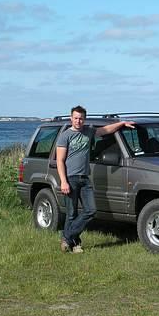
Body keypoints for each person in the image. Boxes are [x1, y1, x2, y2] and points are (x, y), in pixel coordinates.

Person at [56, 106, 135, 253]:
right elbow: (60, 160)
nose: (78, 121)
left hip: (85, 178)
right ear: (71, 118)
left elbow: (106, 130)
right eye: (76, 118)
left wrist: (121, 123)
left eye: (81, 118)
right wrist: (63, 181)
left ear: (84, 119)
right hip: (70, 178)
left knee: (91, 210)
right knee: (71, 213)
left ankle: (66, 237)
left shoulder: (88, 132)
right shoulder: (65, 136)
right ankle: (74, 244)